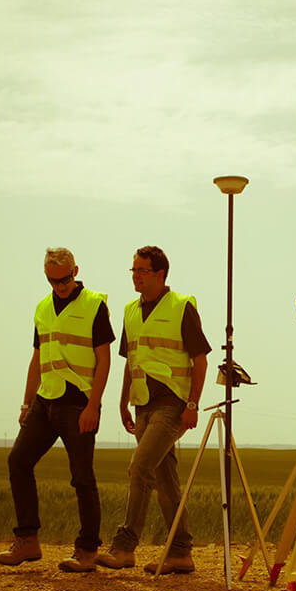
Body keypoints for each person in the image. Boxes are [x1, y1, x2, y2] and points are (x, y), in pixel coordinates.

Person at [0, 247, 114, 572]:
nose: (60, 286)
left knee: (82, 478)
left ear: (76, 270)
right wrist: (26, 401)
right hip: (44, 402)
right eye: (53, 280)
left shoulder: (94, 305)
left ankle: (87, 550)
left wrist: (94, 405)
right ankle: (28, 540)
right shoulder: (42, 308)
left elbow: (104, 359)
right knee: (18, 461)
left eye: (65, 279)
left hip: (78, 404)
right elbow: (37, 358)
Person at [96, 245, 210, 574]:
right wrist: (122, 402)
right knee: (165, 478)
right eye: (133, 270)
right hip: (142, 404)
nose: (136, 276)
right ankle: (180, 553)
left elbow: (199, 359)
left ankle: (124, 546)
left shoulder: (182, 306)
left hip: (173, 403)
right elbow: (131, 361)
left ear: (161, 274)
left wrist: (193, 404)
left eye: (142, 271)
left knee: (140, 468)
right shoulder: (130, 310)